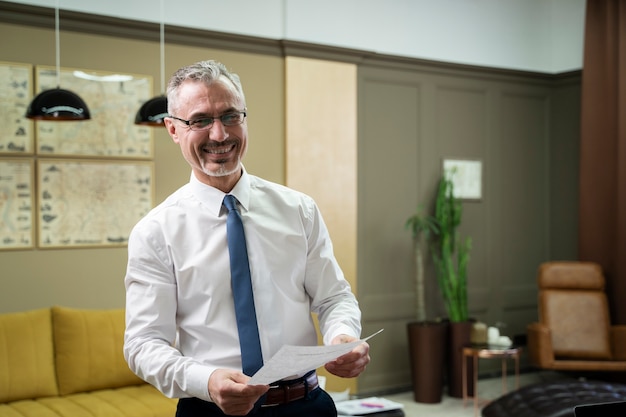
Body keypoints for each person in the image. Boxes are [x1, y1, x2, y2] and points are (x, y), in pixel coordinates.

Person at [123, 59, 370, 417]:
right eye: (200, 120)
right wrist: (206, 379)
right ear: (173, 129)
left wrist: (342, 337)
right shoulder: (155, 231)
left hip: (308, 406)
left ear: (244, 117)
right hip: (210, 410)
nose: (219, 135)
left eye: (230, 116)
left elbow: (334, 298)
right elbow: (143, 344)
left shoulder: (298, 209)